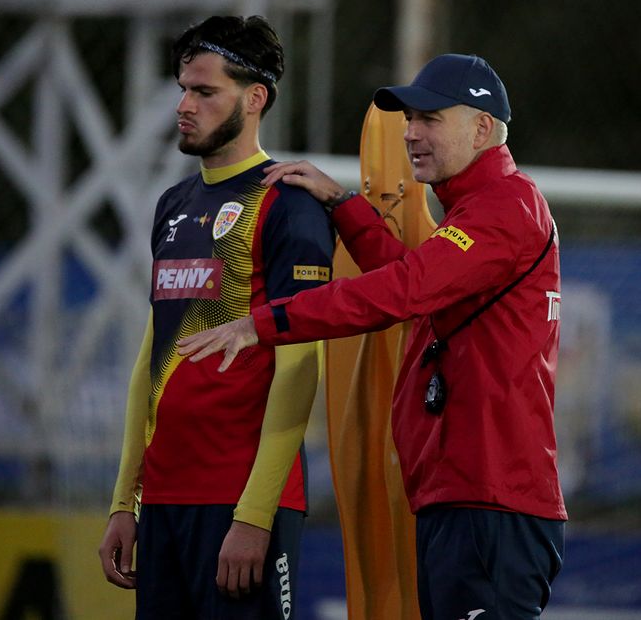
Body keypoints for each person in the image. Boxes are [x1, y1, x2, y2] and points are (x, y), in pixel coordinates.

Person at [178, 53, 567, 618]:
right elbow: (413, 283)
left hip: (490, 501)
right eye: (409, 119)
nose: (410, 133)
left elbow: (402, 290)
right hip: (469, 495)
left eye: (429, 119)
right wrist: (343, 205)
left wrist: (263, 322)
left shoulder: (505, 206)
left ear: (482, 128)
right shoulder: (483, 209)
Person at [97, 15, 334, 620]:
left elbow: (300, 366)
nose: (184, 105)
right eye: (183, 89)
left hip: (240, 505)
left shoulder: (289, 205)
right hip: (165, 502)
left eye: (205, 91)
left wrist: (254, 515)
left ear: (255, 99)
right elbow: (152, 362)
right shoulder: (173, 204)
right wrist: (126, 502)